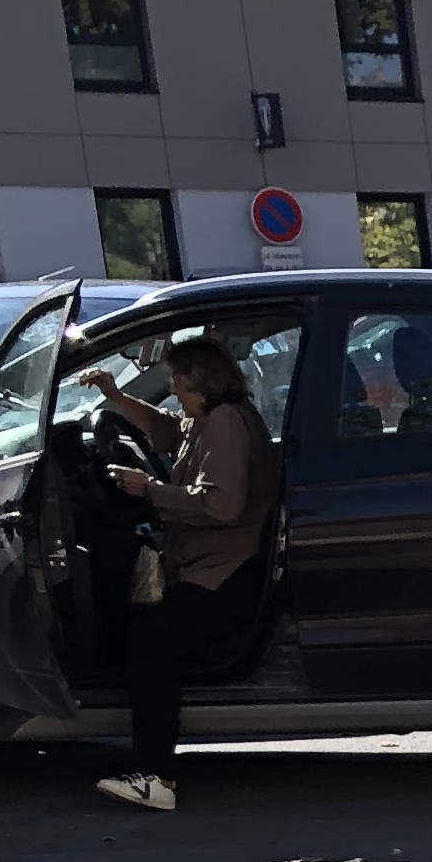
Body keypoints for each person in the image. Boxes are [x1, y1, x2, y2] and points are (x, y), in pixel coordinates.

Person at [93, 337, 280, 815]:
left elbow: (221, 504)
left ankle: (155, 775)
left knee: (151, 642)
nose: (173, 389)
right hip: (203, 566)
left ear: (201, 381)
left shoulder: (226, 423)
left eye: (178, 380)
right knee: (137, 628)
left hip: (226, 574)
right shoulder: (206, 421)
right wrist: (116, 397)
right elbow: (167, 430)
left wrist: (149, 490)